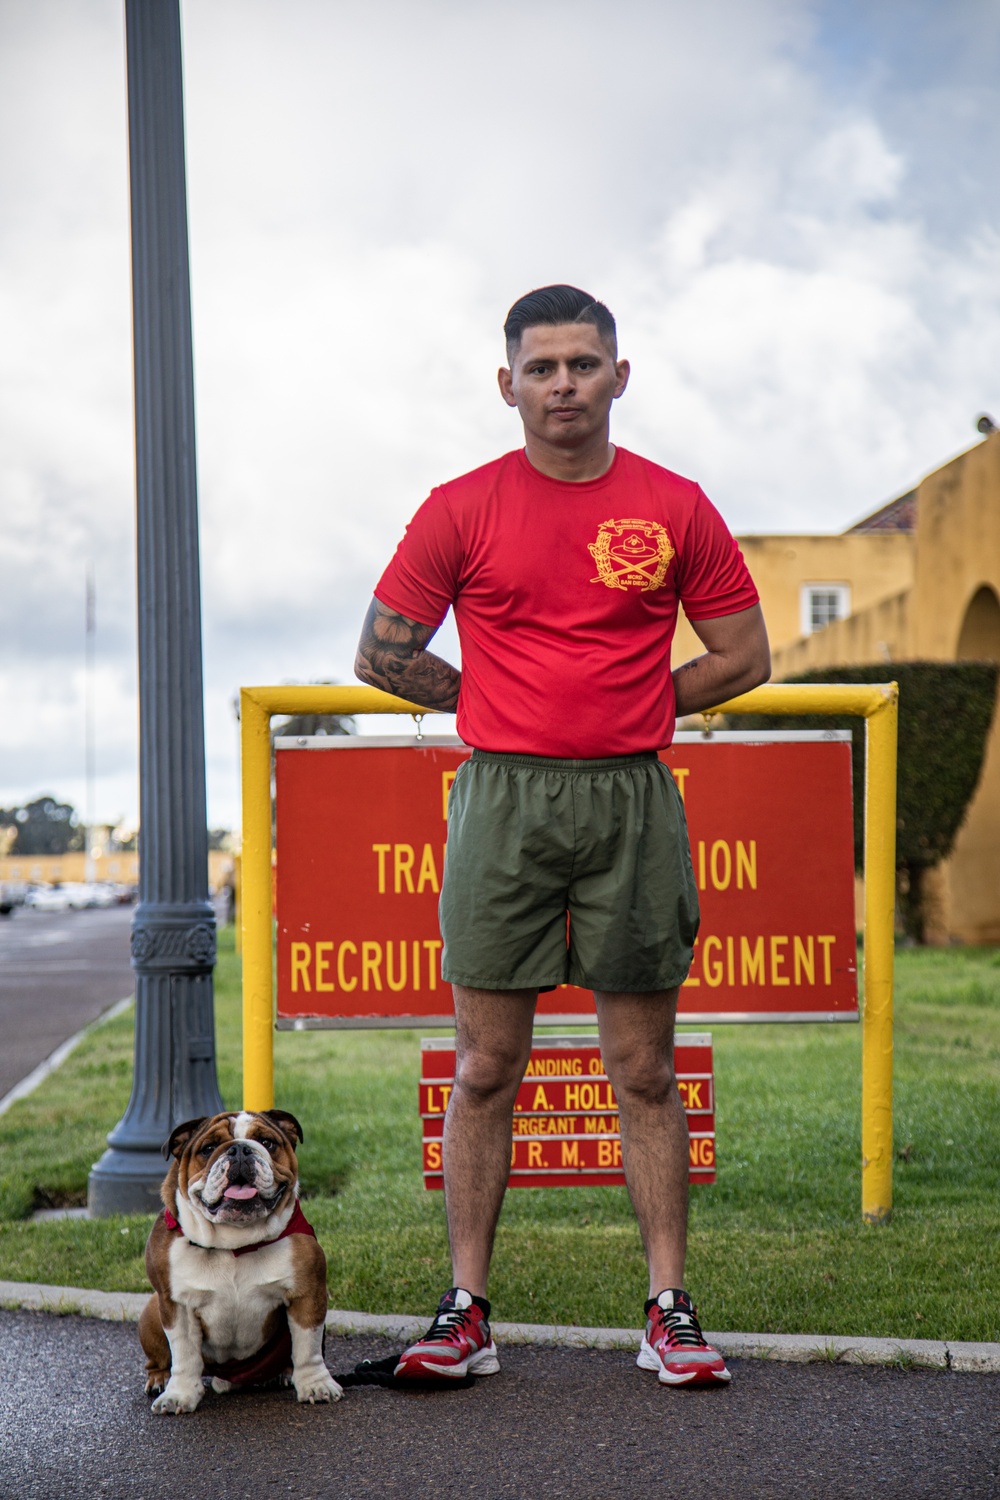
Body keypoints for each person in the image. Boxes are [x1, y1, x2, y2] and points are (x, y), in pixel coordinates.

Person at [355, 285, 770, 1388]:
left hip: (631, 798)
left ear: (619, 377)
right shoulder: (460, 507)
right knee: (487, 1062)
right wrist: (494, 697)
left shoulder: (674, 505)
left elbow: (743, 654)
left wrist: (634, 700)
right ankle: (464, 1313)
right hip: (503, 799)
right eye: (541, 368)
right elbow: (381, 652)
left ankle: (669, 1313)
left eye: (583, 364)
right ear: (508, 386)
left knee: (641, 1066)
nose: (563, 385)